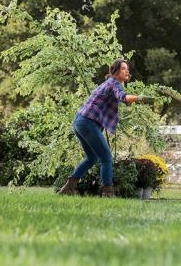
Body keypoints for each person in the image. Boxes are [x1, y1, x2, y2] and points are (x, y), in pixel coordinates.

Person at [58, 59, 154, 197]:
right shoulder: (114, 83)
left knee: (92, 158)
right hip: (87, 122)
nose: (127, 71)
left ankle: (68, 188)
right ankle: (107, 192)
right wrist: (139, 98)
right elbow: (123, 97)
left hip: (79, 122)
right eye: (123, 68)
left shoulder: (108, 83)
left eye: (127, 69)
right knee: (106, 158)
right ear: (115, 71)